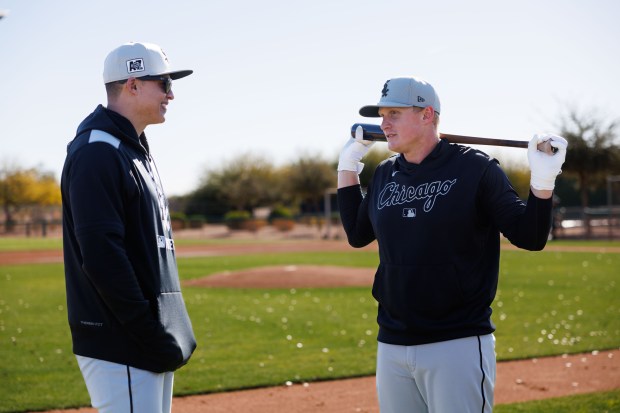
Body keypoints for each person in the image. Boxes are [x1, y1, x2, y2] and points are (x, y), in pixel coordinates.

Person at [337, 76, 567, 413]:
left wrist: (543, 180)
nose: (383, 124)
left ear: (427, 114)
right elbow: (358, 235)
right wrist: (347, 168)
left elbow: (529, 237)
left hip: (456, 342)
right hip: (391, 343)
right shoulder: (385, 173)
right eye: (381, 115)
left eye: (394, 114)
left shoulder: (476, 168)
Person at [61, 42, 196, 413]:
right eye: (163, 83)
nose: (171, 93)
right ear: (132, 84)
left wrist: (169, 325)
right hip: (123, 339)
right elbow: (102, 256)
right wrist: (147, 330)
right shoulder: (97, 151)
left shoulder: (131, 149)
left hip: (144, 335)